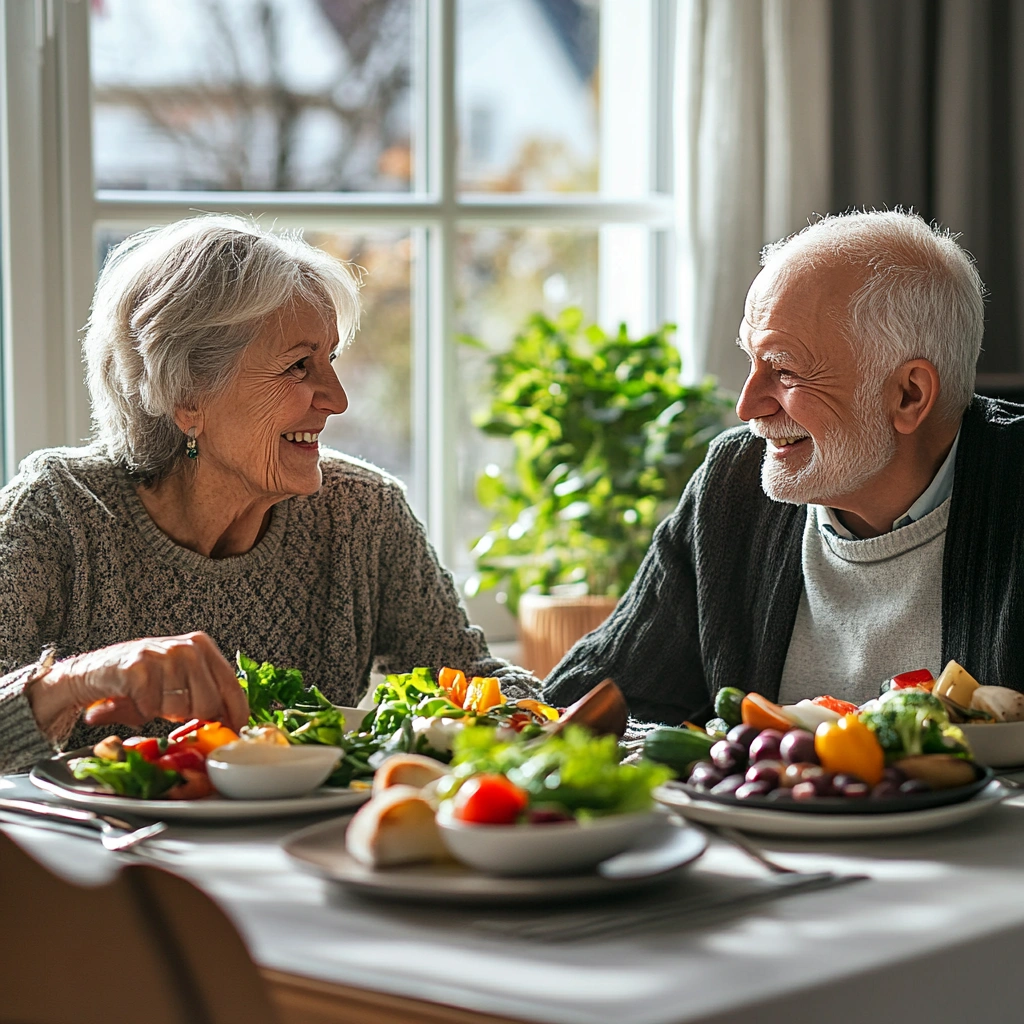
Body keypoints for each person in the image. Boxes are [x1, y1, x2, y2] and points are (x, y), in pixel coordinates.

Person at [0, 215, 533, 773]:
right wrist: (76, 680)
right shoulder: (58, 511)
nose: (337, 398)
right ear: (187, 397)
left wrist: (572, 720)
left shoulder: (361, 513)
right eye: (299, 366)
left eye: (331, 359)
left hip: (312, 830)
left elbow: (475, 687)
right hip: (98, 833)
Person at [545, 209, 1024, 726]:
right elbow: (584, 706)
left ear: (909, 394)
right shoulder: (733, 483)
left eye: (785, 370)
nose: (746, 407)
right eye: (752, 361)